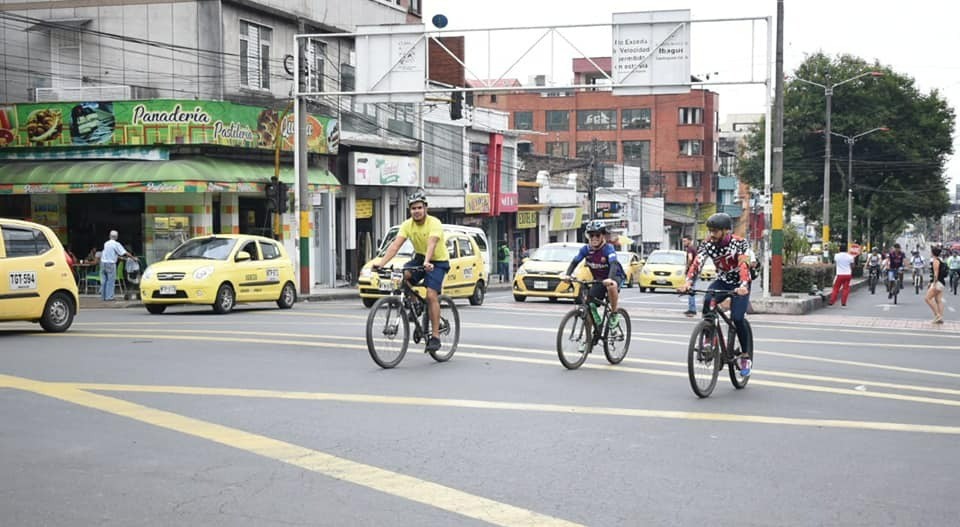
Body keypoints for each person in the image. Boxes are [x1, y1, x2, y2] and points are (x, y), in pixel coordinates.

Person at [374, 189, 450, 353]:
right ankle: (415, 305)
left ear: (425, 208)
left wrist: (427, 261)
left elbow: (431, 244)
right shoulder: (407, 225)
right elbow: (395, 246)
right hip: (420, 258)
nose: (416, 211)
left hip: (437, 261)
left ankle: (435, 336)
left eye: (419, 208)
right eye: (413, 208)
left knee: (431, 295)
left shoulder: (434, 223)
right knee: (403, 276)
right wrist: (381, 263)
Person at [678, 212, 753, 376]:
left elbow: (744, 266)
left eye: (715, 231)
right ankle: (709, 338)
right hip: (722, 281)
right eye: (710, 231)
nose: (711, 234)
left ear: (726, 231)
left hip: (740, 283)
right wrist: (688, 282)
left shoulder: (740, 243)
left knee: (738, 318)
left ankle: (745, 355)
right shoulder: (707, 244)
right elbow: (697, 263)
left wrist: (743, 286)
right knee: (708, 300)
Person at [560, 221, 623, 329]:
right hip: (599, 279)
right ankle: (592, 333)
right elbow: (575, 262)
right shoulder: (585, 249)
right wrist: (568, 275)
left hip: (614, 275)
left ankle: (614, 314)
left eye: (597, 235)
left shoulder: (608, 249)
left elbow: (613, 264)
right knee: (588, 303)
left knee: (612, 286)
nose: (594, 238)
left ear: (603, 235)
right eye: (591, 235)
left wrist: (610, 279)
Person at [100, 230, 134, 301]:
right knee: (110, 281)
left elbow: (111, 253)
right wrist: (133, 258)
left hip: (103, 263)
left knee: (104, 281)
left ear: (109, 236)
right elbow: (124, 252)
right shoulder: (116, 244)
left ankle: (103, 297)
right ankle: (109, 297)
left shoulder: (106, 243)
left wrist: (120, 258)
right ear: (116, 237)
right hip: (110, 264)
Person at [925, 246, 946, 324]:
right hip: (941, 282)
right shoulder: (939, 260)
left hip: (938, 283)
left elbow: (936, 274)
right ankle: (940, 318)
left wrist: (933, 284)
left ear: (932, 253)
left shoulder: (935, 261)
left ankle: (937, 315)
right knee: (938, 300)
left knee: (927, 298)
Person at [682, 234, 698, 317]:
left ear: (689, 241)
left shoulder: (690, 249)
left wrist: (687, 267)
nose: (684, 243)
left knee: (690, 290)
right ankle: (692, 308)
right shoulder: (694, 248)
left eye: (685, 241)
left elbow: (690, 258)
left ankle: (692, 309)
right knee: (691, 289)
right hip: (695, 271)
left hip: (691, 272)